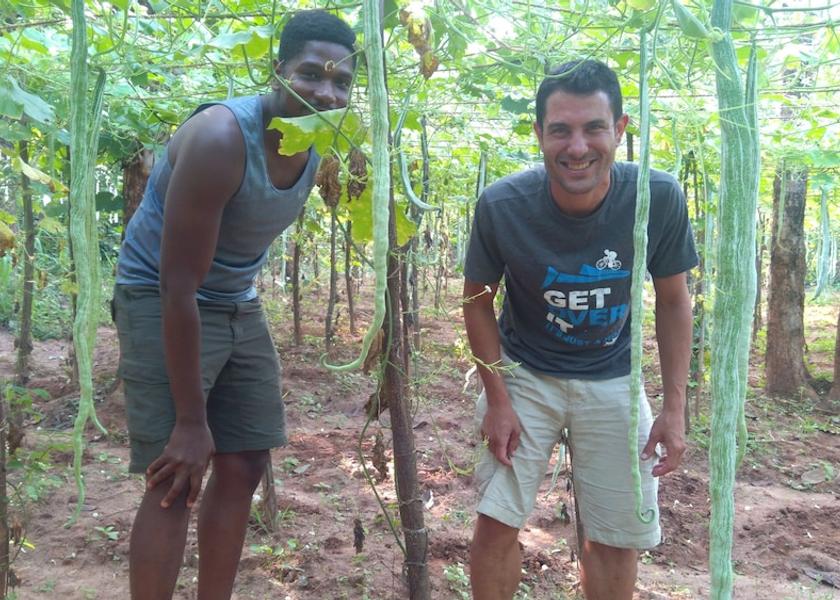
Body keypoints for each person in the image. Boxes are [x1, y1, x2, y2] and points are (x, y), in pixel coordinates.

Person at [112, 10, 355, 600]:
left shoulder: (320, 141)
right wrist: (193, 423)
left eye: (341, 82)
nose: (325, 91)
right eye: (310, 74)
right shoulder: (223, 137)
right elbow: (177, 285)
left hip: (235, 299)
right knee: (176, 474)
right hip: (160, 297)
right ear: (278, 69)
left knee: (244, 463)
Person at [463, 59, 697, 600]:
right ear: (538, 134)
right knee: (497, 522)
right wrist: (497, 398)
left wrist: (675, 406)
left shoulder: (655, 198)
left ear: (620, 129)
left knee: (617, 538)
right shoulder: (503, 205)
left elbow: (673, 301)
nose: (577, 146)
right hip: (525, 374)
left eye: (594, 127)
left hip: (614, 376)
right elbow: (477, 301)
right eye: (560, 129)